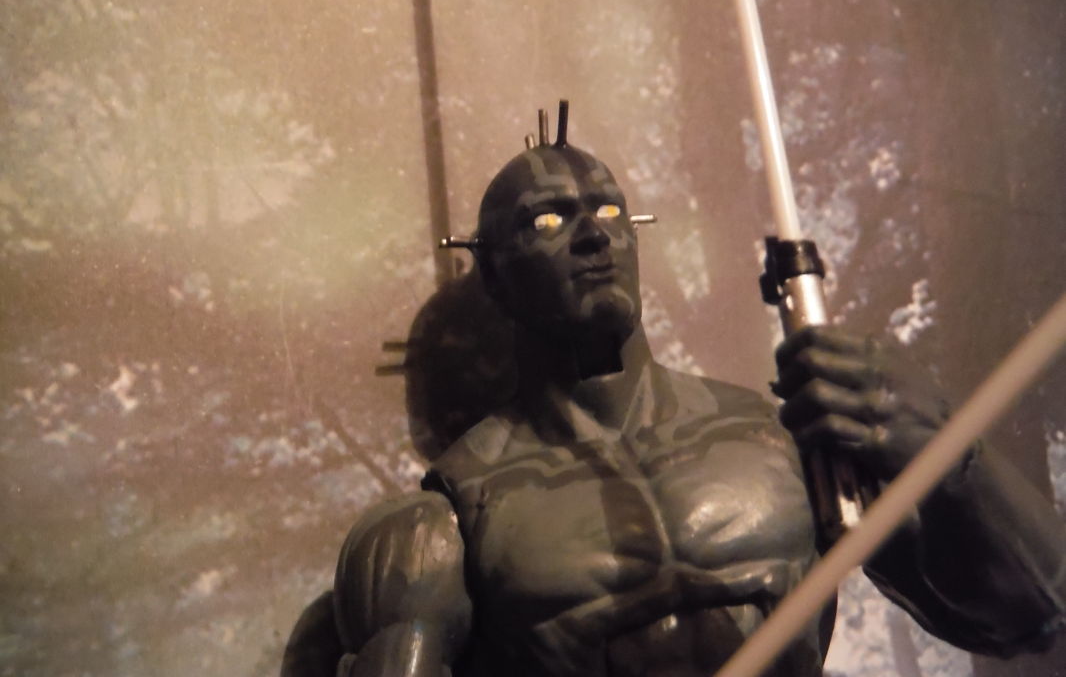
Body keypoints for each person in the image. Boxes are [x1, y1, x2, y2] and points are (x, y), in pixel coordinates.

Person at [283, 127, 1065, 677]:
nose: (593, 235)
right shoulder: (442, 527)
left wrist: (947, 451)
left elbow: (1031, 613)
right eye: (549, 220)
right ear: (493, 274)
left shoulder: (779, 446)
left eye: (609, 212)